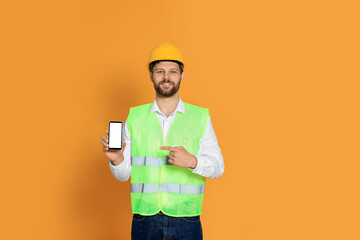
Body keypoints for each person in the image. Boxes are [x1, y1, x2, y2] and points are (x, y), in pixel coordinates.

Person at [101, 43, 224, 240]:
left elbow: (218, 167)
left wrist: (192, 161)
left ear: (182, 76)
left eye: (173, 72)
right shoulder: (135, 117)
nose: (166, 77)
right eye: (160, 71)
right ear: (151, 75)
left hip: (187, 220)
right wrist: (116, 160)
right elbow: (124, 175)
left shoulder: (200, 117)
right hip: (145, 220)